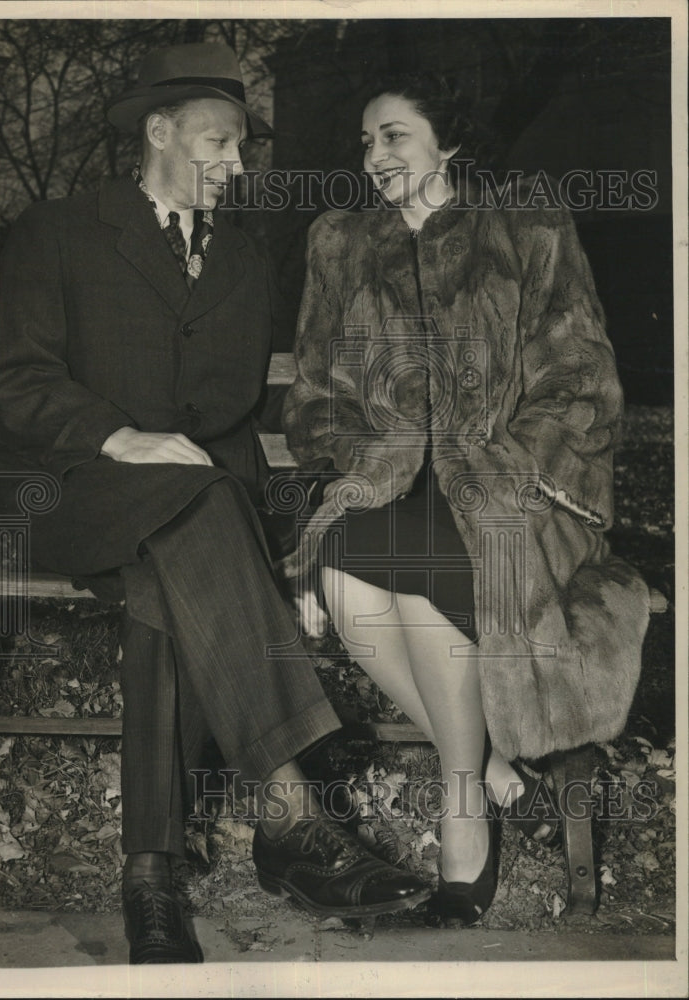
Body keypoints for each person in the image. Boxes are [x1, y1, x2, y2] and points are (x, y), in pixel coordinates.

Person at [0, 44, 431, 965]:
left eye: (238, 147)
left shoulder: (247, 260)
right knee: (194, 518)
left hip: (187, 514)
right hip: (68, 489)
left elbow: (223, 411)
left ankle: (151, 881)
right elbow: (17, 383)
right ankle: (290, 820)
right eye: (217, 143)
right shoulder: (59, 231)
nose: (234, 164)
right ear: (158, 131)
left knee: (170, 585)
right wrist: (123, 437)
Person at [281, 73, 652, 926]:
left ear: (447, 144)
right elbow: (314, 394)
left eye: (394, 137)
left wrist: (503, 464)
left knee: (418, 563)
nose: (373, 157)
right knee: (344, 570)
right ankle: (485, 769)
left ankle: (463, 810)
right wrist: (370, 453)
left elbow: (581, 377)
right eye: (366, 141)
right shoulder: (339, 241)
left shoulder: (526, 224)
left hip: (519, 487)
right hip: (391, 475)